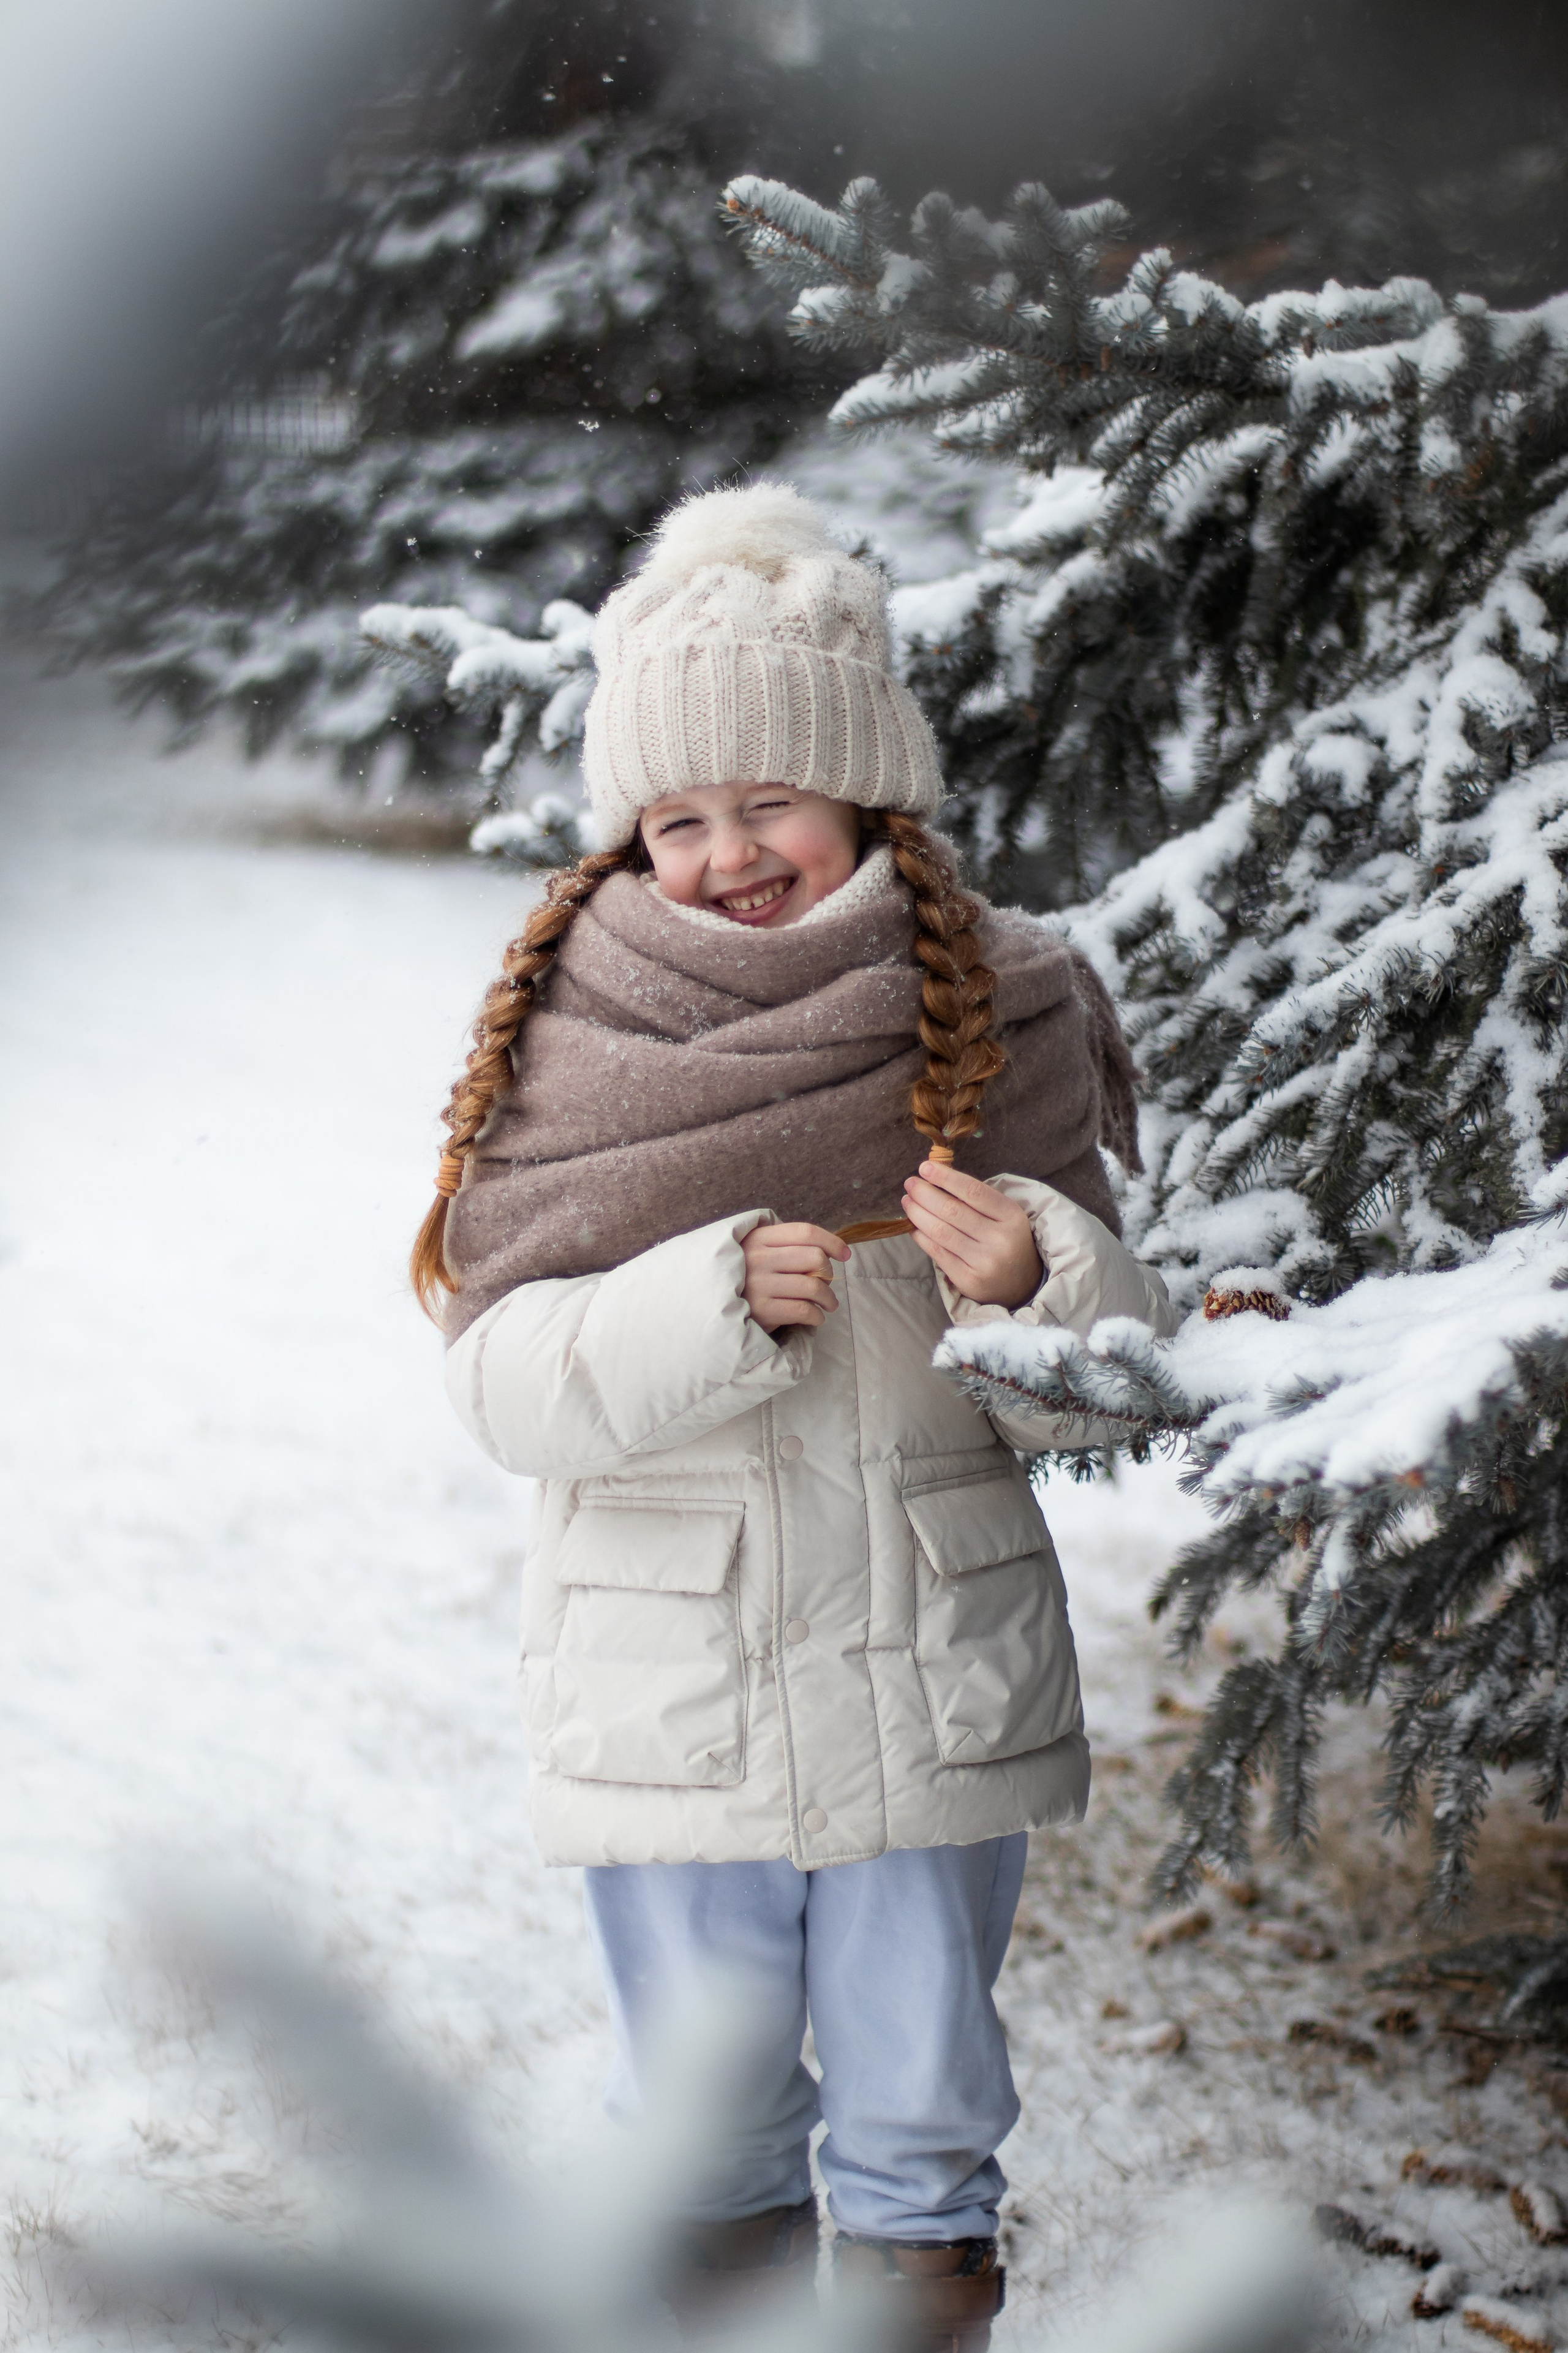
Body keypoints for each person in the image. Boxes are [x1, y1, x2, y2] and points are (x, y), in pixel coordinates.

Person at [419, 484, 1178, 2349]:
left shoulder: (993, 1012)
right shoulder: (574, 1037)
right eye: (677, 818)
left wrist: (1038, 1277)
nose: (726, 850)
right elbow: (501, 1378)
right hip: (671, 1689)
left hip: (931, 1665)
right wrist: (695, 1304)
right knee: (703, 2116)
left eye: (768, 798)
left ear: (862, 793)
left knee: (926, 2113)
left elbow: (1111, 1397)